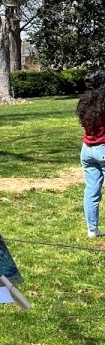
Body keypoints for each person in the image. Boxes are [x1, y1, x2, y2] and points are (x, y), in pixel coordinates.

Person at [78, 71, 105, 237]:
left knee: (91, 191)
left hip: (87, 149)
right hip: (103, 148)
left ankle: (92, 230)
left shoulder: (84, 103)